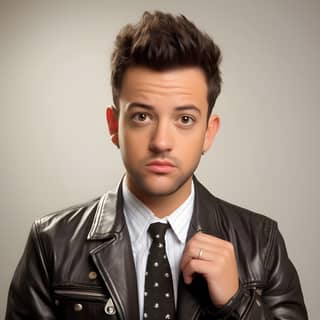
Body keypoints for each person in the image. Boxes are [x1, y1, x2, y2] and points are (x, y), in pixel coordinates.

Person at [6, 11, 307, 320]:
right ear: (114, 125)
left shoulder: (263, 243)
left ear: (209, 132)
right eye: (142, 116)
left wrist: (236, 302)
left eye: (185, 119)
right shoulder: (51, 243)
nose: (161, 142)